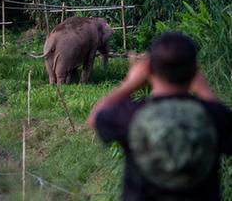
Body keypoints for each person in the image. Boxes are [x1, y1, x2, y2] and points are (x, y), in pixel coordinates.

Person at [87, 32, 232, 201]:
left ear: (150, 70)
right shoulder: (214, 116)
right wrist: (203, 87)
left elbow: (95, 117)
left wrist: (130, 83)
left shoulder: (131, 114)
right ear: (194, 71)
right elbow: (225, 117)